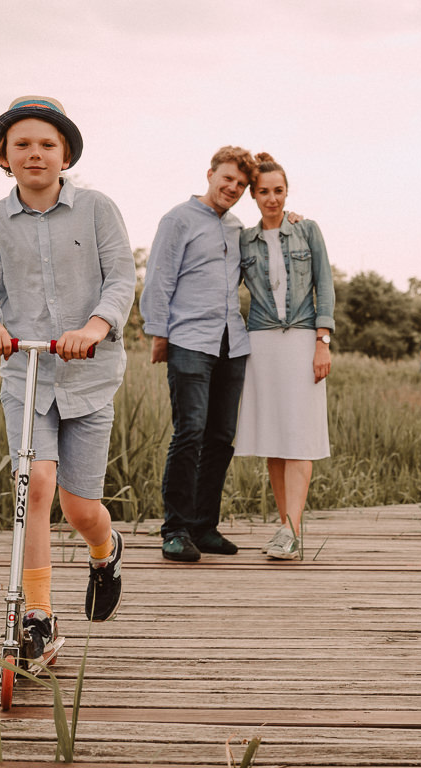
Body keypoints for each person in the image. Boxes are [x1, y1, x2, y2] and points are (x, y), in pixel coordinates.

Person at [0, 96, 136, 670]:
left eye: (46, 144)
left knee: (80, 505)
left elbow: (120, 280)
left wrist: (94, 325)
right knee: (35, 483)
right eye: (22, 145)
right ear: (3, 156)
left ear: (65, 155)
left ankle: (106, 552)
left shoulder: (96, 209)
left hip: (89, 374)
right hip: (27, 373)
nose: (34, 153)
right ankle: (36, 615)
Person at [141, 147, 259, 563]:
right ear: (210, 174)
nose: (233, 188)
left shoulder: (237, 227)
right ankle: (174, 530)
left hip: (233, 342)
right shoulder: (178, 219)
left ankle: (204, 527)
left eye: (241, 185)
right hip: (189, 339)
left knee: (221, 437)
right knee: (189, 432)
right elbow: (158, 277)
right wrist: (158, 334)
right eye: (227, 179)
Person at [234, 153, 335, 561]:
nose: (271, 198)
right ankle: (286, 528)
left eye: (278, 191)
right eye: (263, 192)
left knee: (300, 436)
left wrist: (322, 340)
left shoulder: (307, 230)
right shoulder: (244, 240)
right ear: (253, 195)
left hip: (302, 337)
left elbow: (324, 285)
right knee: (274, 438)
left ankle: (293, 527)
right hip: (261, 342)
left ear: (287, 191)